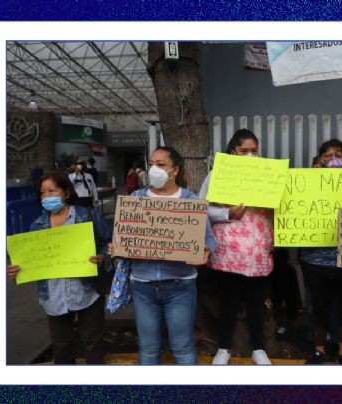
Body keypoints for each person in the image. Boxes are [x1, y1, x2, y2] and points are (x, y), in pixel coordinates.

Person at [108, 146, 215, 365]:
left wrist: (206, 251)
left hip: (180, 286)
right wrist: (116, 248)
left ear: (175, 171)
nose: (153, 169)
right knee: (147, 350)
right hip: (142, 286)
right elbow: (123, 239)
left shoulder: (191, 201)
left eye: (161, 165)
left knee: (183, 348)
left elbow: (209, 238)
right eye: (151, 164)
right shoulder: (135, 200)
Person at [7, 171, 113, 364]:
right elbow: (28, 262)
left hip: (88, 292)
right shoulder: (36, 227)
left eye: (52, 191)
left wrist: (102, 257)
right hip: (54, 296)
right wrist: (15, 271)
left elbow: (109, 243)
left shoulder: (87, 216)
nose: (47, 196)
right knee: (61, 348)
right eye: (43, 193)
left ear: (65, 193)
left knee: (93, 344)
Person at [199, 129, 274, 365]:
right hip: (229, 251)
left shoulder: (268, 175)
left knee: (256, 302)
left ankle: (259, 349)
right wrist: (226, 213)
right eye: (244, 151)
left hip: (259, 250)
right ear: (232, 150)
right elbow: (201, 208)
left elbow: (282, 209)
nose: (250, 155)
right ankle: (224, 348)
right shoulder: (218, 174)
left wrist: (276, 240)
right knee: (229, 302)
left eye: (254, 150)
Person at [301, 139, 342, 365]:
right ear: (319, 160)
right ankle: (319, 351)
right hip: (314, 260)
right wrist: (309, 181)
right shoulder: (305, 183)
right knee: (318, 308)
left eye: (338, 155)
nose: (333, 160)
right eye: (327, 156)